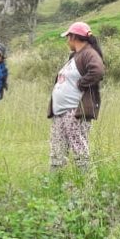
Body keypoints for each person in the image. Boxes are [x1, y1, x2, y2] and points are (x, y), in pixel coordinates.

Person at [48, 21, 105, 171]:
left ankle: (86, 185)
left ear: (73, 37)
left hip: (75, 111)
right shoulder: (75, 56)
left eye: (68, 37)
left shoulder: (88, 53)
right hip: (61, 111)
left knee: (79, 147)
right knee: (57, 150)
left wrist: (81, 83)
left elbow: (97, 71)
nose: (67, 41)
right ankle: (55, 184)